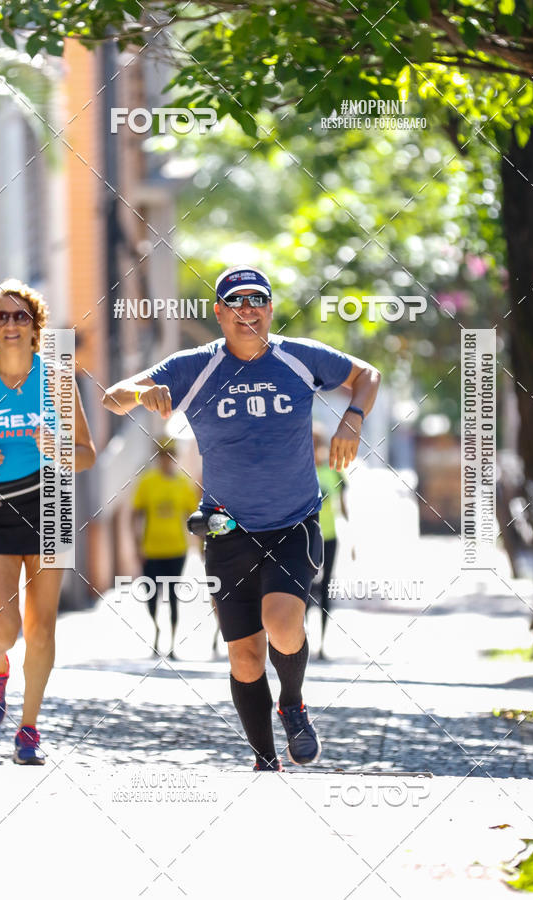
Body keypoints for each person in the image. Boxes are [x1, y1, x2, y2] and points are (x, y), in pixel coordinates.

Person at [103, 264, 380, 771]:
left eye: (256, 301)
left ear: (270, 310)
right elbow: (112, 396)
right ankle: (264, 759)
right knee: (244, 655)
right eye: (235, 302)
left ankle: (292, 702)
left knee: (282, 624)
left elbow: (367, 375)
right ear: (219, 313)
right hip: (226, 530)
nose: (246, 310)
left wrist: (352, 417)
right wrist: (144, 393)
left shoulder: (298, 358)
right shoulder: (194, 366)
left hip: (293, 522)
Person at [0, 279, 96, 764]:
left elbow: (86, 455)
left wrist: (61, 449)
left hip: (51, 504)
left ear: (36, 327)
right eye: (2, 316)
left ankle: (29, 729)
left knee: (42, 627)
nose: (11, 324)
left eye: (21, 316)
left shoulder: (58, 381)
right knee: (2, 630)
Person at [131, 436, 199, 658]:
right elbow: (136, 515)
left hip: (176, 550)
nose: (166, 460)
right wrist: (137, 546)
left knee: (173, 597)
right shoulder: (147, 482)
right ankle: (156, 632)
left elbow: (192, 516)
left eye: (170, 455)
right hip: (151, 550)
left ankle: (171, 642)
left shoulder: (182, 484)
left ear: (175, 457)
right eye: (162, 455)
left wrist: (200, 542)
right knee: (151, 597)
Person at [307, 422, 350, 660]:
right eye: (310, 443)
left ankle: (322, 643)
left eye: (317, 444)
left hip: (330, 538)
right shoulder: (300, 470)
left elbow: (344, 509)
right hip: (304, 538)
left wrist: (353, 540)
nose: (314, 448)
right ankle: (301, 641)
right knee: (302, 589)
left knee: (325, 590)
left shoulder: (333, 472)